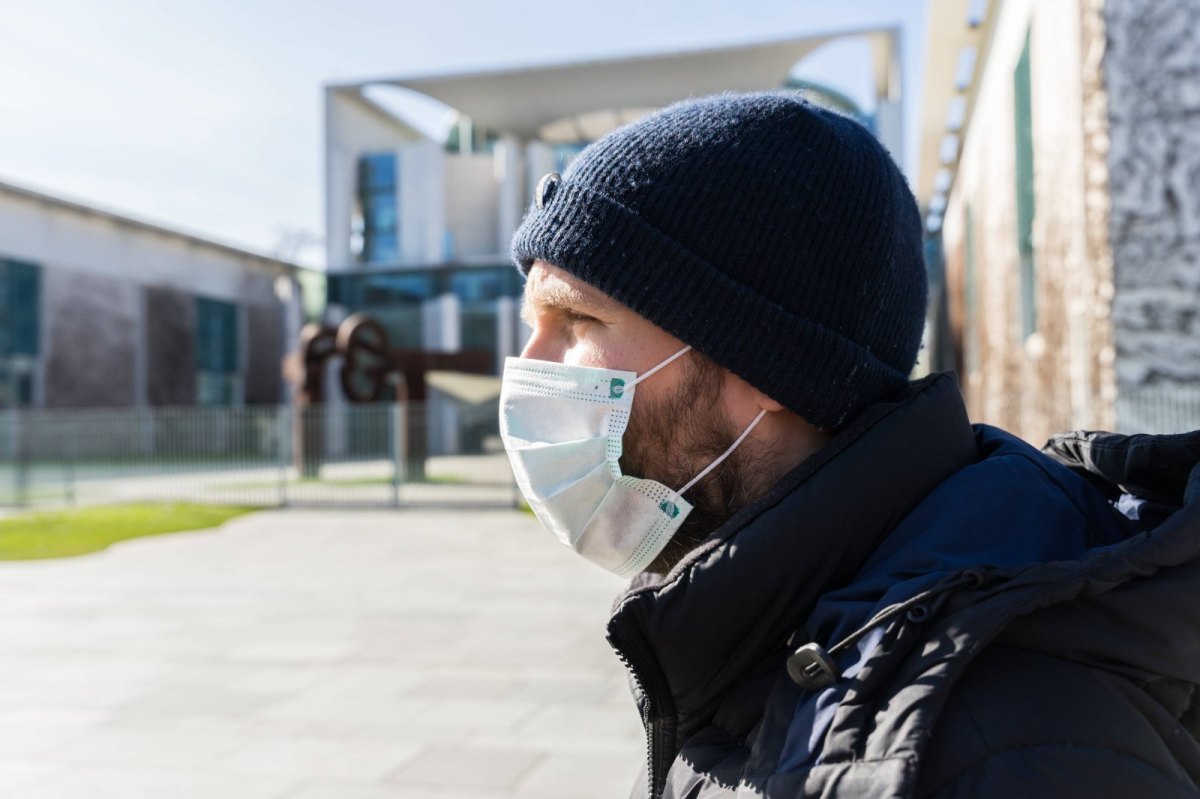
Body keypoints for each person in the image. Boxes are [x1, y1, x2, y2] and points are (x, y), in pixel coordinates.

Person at [497, 92, 1200, 798]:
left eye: (576, 318)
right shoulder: (751, 626)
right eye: (532, 322)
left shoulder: (1013, 749)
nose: (531, 362)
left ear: (766, 363)